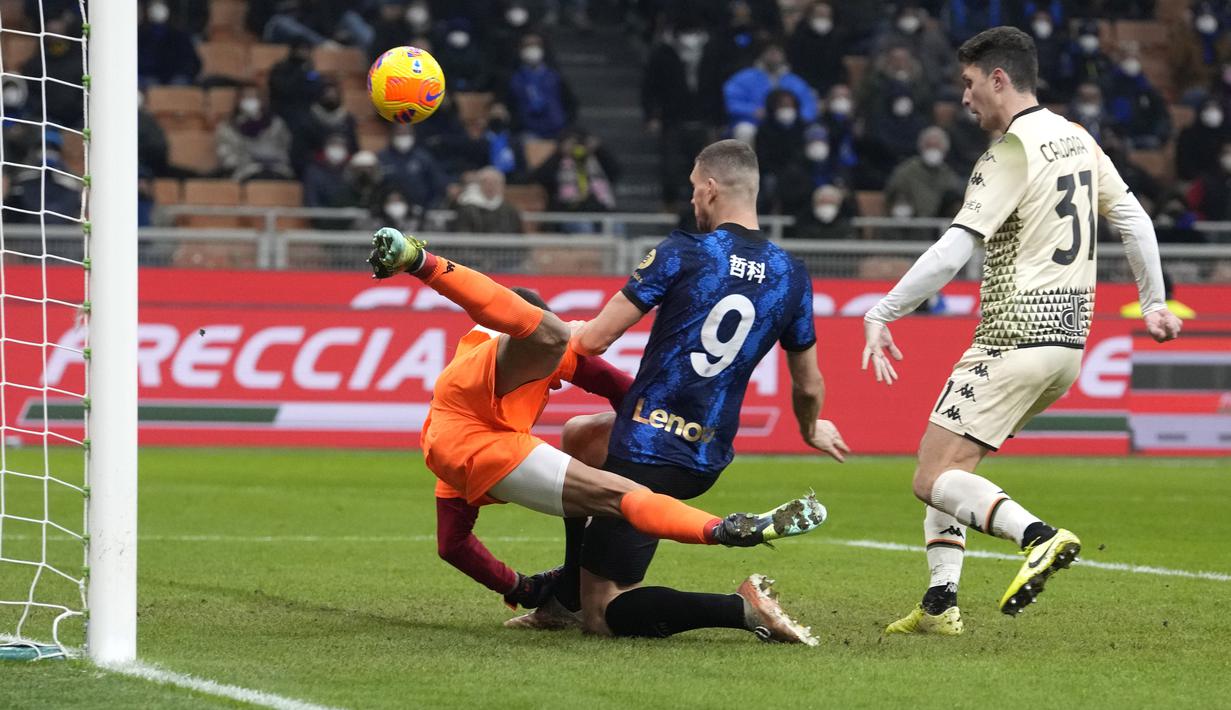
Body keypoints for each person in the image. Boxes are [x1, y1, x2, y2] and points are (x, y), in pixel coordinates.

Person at [862, 27, 1182, 636]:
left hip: (1012, 337)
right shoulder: (1079, 138)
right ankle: (940, 604)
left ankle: (1037, 537)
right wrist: (1153, 303)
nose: (964, 97)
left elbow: (953, 250)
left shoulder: (1009, 151)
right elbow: (1136, 219)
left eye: (969, 83)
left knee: (930, 478)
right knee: (951, 467)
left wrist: (883, 311)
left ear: (999, 79)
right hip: (1067, 348)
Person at [364, 223, 831, 641]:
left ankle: (565, 596)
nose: (557, 363)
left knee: (582, 435)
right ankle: (721, 531)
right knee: (616, 513)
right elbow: (518, 318)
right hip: (486, 449)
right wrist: (421, 262)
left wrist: (522, 588)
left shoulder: (482, 381)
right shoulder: (525, 348)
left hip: (457, 452)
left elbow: (451, 544)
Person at [513, 139, 849, 644]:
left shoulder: (683, 252)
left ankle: (741, 608)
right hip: (706, 452)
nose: (692, 199)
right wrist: (810, 428)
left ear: (710, 189)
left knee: (603, 615)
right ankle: (566, 596)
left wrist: (551, 329)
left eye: (694, 188)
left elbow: (596, 340)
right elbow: (808, 383)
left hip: (646, 451)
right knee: (581, 435)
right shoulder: (791, 274)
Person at [722, 41, 818, 129]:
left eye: (777, 52)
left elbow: (809, 104)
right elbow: (731, 102)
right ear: (762, 54)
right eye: (770, 52)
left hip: (791, 124)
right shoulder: (743, 78)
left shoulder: (795, 81)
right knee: (745, 129)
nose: (774, 55)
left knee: (815, 131)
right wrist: (752, 111)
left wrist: (797, 116)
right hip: (754, 122)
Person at [452, 167, 525, 234]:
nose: (490, 186)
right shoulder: (467, 208)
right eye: (486, 182)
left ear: (501, 186)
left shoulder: (509, 210)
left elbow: (516, 233)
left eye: (495, 183)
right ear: (479, 185)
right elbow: (462, 233)